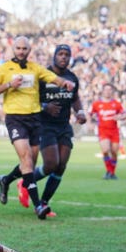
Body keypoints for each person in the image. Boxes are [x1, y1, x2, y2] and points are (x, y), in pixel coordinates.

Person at [0, 36, 75, 219]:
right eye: (18, 48)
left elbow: (53, 78)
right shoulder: (3, 69)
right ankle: (38, 206)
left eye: (24, 49)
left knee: (30, 162)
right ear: (13, 48)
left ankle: (6, 179)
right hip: (15, 119)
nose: (21, 51)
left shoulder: (35, 68)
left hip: (34, 119)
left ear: (29, 50)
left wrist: (64, 83)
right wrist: (9, 84)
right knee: (26, 158)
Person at [29, 44, 86, 217]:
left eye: (66, 55)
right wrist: (45, 106)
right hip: (45, 126)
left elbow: (75, 98)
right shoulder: (44, 76)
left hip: (64, 126)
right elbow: (30, 100)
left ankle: (44, 203)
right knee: (51, 164)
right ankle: (27, 181)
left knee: (61, 166)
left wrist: (80, 111)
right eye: (60, 54)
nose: (63, 57)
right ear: (54, 56)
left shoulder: (72, 77)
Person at [89, 83, 126, 179]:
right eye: (106, 89)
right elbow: (89, 113)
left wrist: (120, 117)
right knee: (105, 150)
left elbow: (125, 114)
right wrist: (89, 123)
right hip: (103, 131)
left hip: (114, 131)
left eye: (110, 90)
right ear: (103, 91)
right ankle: (109, 172)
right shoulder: (97, 104)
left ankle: (111, 173)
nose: (108, 91)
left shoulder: (116, 104)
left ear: (112, 92)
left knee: (114, 152)